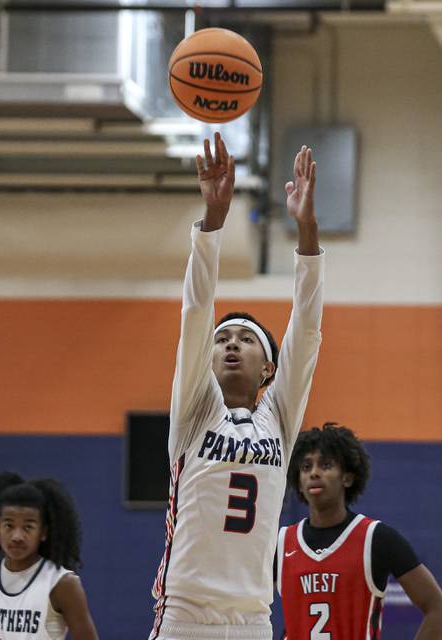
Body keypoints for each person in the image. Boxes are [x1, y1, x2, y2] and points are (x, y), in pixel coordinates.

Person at [149, 132, 324, 640]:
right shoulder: (196, 410)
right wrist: (213, 221)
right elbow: (196, 312)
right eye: (222, 339)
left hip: (252, 619)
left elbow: (306, 331)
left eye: (245, 339)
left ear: (268, 369)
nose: (230, 344)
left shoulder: (278, 419)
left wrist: (306, 229)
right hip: (184, 616)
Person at [278, 424, 442, 639]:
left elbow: (440, 613)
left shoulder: (376, 538)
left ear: (347, 478)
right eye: (306, 467)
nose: (314, 473)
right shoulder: (281, 543)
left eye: (325, 465)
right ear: (298, 481)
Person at [0, 472, 98, 640]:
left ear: (43, 532)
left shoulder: (62, 584)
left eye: (28, 527)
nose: (17, 536)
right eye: (9, 525)